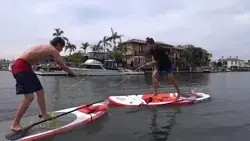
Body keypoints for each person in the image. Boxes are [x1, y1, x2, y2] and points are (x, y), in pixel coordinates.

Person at [10, 37, 78, 132]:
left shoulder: (45, 48)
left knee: (40, 91)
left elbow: (30, 57)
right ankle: (15, 124)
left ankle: (44, 114)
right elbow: (62, 65)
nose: (62, 49)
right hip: (21, 67)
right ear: (58, 44)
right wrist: (73, 73)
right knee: (29, 97)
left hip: (24, 66)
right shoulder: (53, 50)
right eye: (62, 47)